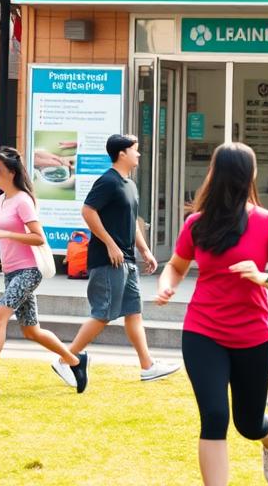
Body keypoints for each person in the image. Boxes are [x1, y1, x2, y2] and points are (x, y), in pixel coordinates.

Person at [155, 142, 268, 486]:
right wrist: (166, 283)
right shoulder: (197, 224)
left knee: (248, 425)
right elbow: (175, 265)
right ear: (249, 175)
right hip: (203, 332)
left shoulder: (267, 222)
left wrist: (262, 276)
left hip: (253, 335)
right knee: (215, 416)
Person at [0, 147, 86, 393]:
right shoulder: (2, 200)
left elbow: (39, 238)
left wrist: (4, 233)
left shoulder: (23, 200)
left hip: (28, 271)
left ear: (11, 173)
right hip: (11, 271)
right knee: (31, 330)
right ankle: (76, 361)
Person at [66, 134, 180, 384]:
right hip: (109, 261)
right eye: (135, 150)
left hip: (127, 260)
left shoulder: (129, 184)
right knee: (103, 314)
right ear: (122, 154)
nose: (138, 154)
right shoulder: (108, 181)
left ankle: (147, 366)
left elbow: (132, 223)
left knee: (133, 312)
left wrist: (146, 250)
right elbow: (88, 211)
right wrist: (110, 244)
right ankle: (66, 359)